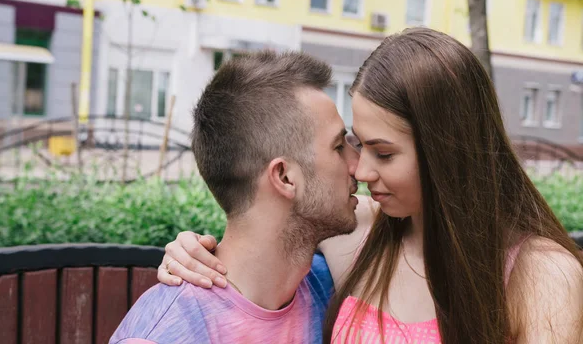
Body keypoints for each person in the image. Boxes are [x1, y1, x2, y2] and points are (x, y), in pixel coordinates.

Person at [157, 27, 583, 343]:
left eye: (384, 152)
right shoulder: (360, 230)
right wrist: (188, 249)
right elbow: (264, 223)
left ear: (448, 152)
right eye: (356, 144)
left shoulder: (543, 275)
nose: (360, 170)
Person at [110, 51, 364, 344]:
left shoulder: (326, 283)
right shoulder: (168, 332)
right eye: (337, 147)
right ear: (284, 177)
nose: (359, 164)